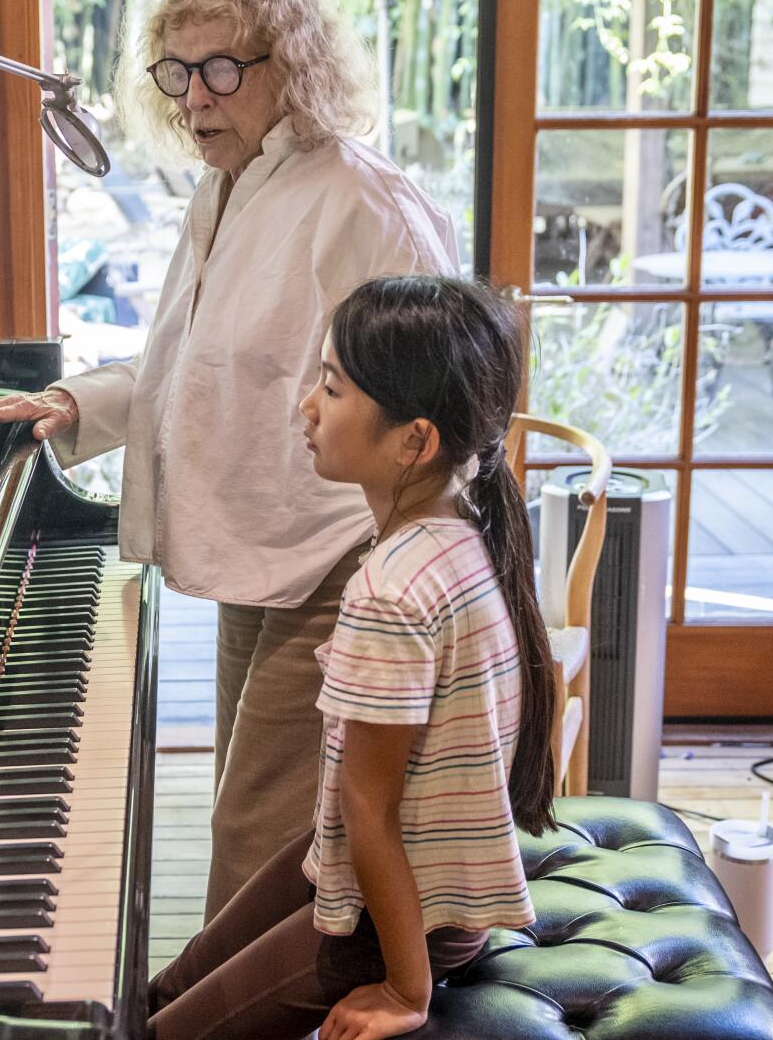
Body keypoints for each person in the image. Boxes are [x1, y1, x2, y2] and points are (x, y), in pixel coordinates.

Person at [0, 0, 459, 915]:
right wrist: (69, 405)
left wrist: (399, 581)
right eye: (177, 71)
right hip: (262, 545)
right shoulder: (225, 188)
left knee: (259, 836)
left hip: (343, 563)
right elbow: (191, 367)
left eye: (223, 67)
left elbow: (441, 404)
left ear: (295, 65)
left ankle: (211, 1011)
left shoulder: (361, 201)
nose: (195, 96)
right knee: (256, 804)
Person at [144, 275, 559, 1040]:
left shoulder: (390, 590)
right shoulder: (464, 528)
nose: (307, 405)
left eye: (332, 389)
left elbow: (374, 809)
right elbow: (361, 812)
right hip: (398, 881)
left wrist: (406, 988)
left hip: (403, 926)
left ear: (415, 440)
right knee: (168, 984)